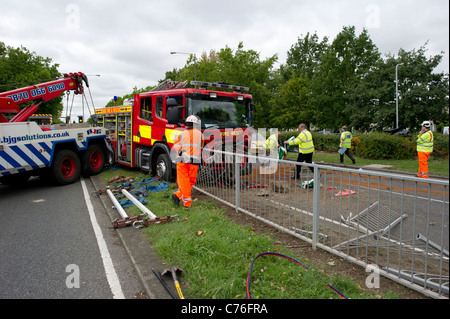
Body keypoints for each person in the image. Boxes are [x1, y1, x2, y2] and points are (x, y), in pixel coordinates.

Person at [172, 115, 204, 207]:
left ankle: (178, 195)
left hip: (182, 160)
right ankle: (186, 203)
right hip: (194, 161)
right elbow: (201, 145)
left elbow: (176, 146)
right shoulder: (200, 134)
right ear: (196, 124)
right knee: (191, 181)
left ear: (187, 124)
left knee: (184, 181)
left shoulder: (181, 134)